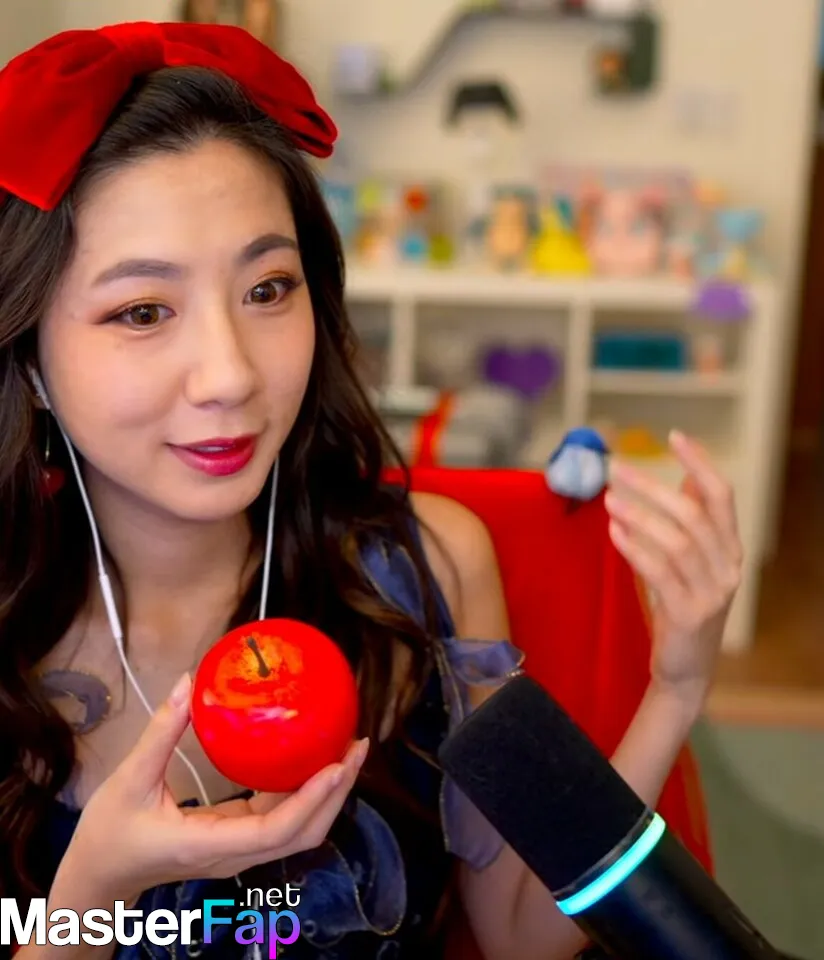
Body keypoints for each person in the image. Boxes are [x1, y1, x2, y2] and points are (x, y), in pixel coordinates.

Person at [0, 21, 743, 960]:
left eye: (268, 289)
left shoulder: (427, 570)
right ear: (30, 359)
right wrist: (93, 893)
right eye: (144, 311)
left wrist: (675, 687)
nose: (230, 374)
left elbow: (519, 937)